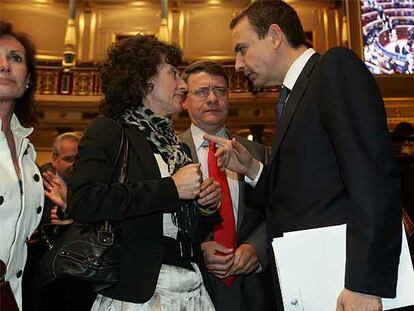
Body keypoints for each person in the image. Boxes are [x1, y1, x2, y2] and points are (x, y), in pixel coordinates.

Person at [206, 1, 402, 310]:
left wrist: (364, 285)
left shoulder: (334, 68)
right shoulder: (291, 97)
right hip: (309, 281)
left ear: (274, 36)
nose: (239, 64)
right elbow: (301, 195)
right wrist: (254, 169)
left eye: (242, 49)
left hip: (344, 282)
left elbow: (372, 179)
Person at [67, 35, 220, 310]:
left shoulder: (173, 144)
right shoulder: (110, 131)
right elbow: (83, 201)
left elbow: (178, 226)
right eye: (173, 73)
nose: (183, 85)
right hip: (137, 293)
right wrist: (171, 189)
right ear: (144, 79)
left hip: (191, 286)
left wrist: (205, 207)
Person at [179, 60, 274, 311]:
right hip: (192, 285)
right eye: (201, 92)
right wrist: (197, 250)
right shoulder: (169, 154)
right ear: (184, 100)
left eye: (220, 91)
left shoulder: (256, 152)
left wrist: (257, 248)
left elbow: (278, 207)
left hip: (254, 289)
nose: (212, 98)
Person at [23, 131, 96, 311]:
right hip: (40, 282)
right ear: (55, 159)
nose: (75, 165)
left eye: (79, 159)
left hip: (80, 283)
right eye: (69, 159)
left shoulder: (93, 189)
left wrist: (68, 208)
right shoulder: (35, 186)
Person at [0, 21, 44, 310]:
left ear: (28, 79)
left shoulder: (27, 151)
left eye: (15, 58)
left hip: (11, 296)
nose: (4, 66)